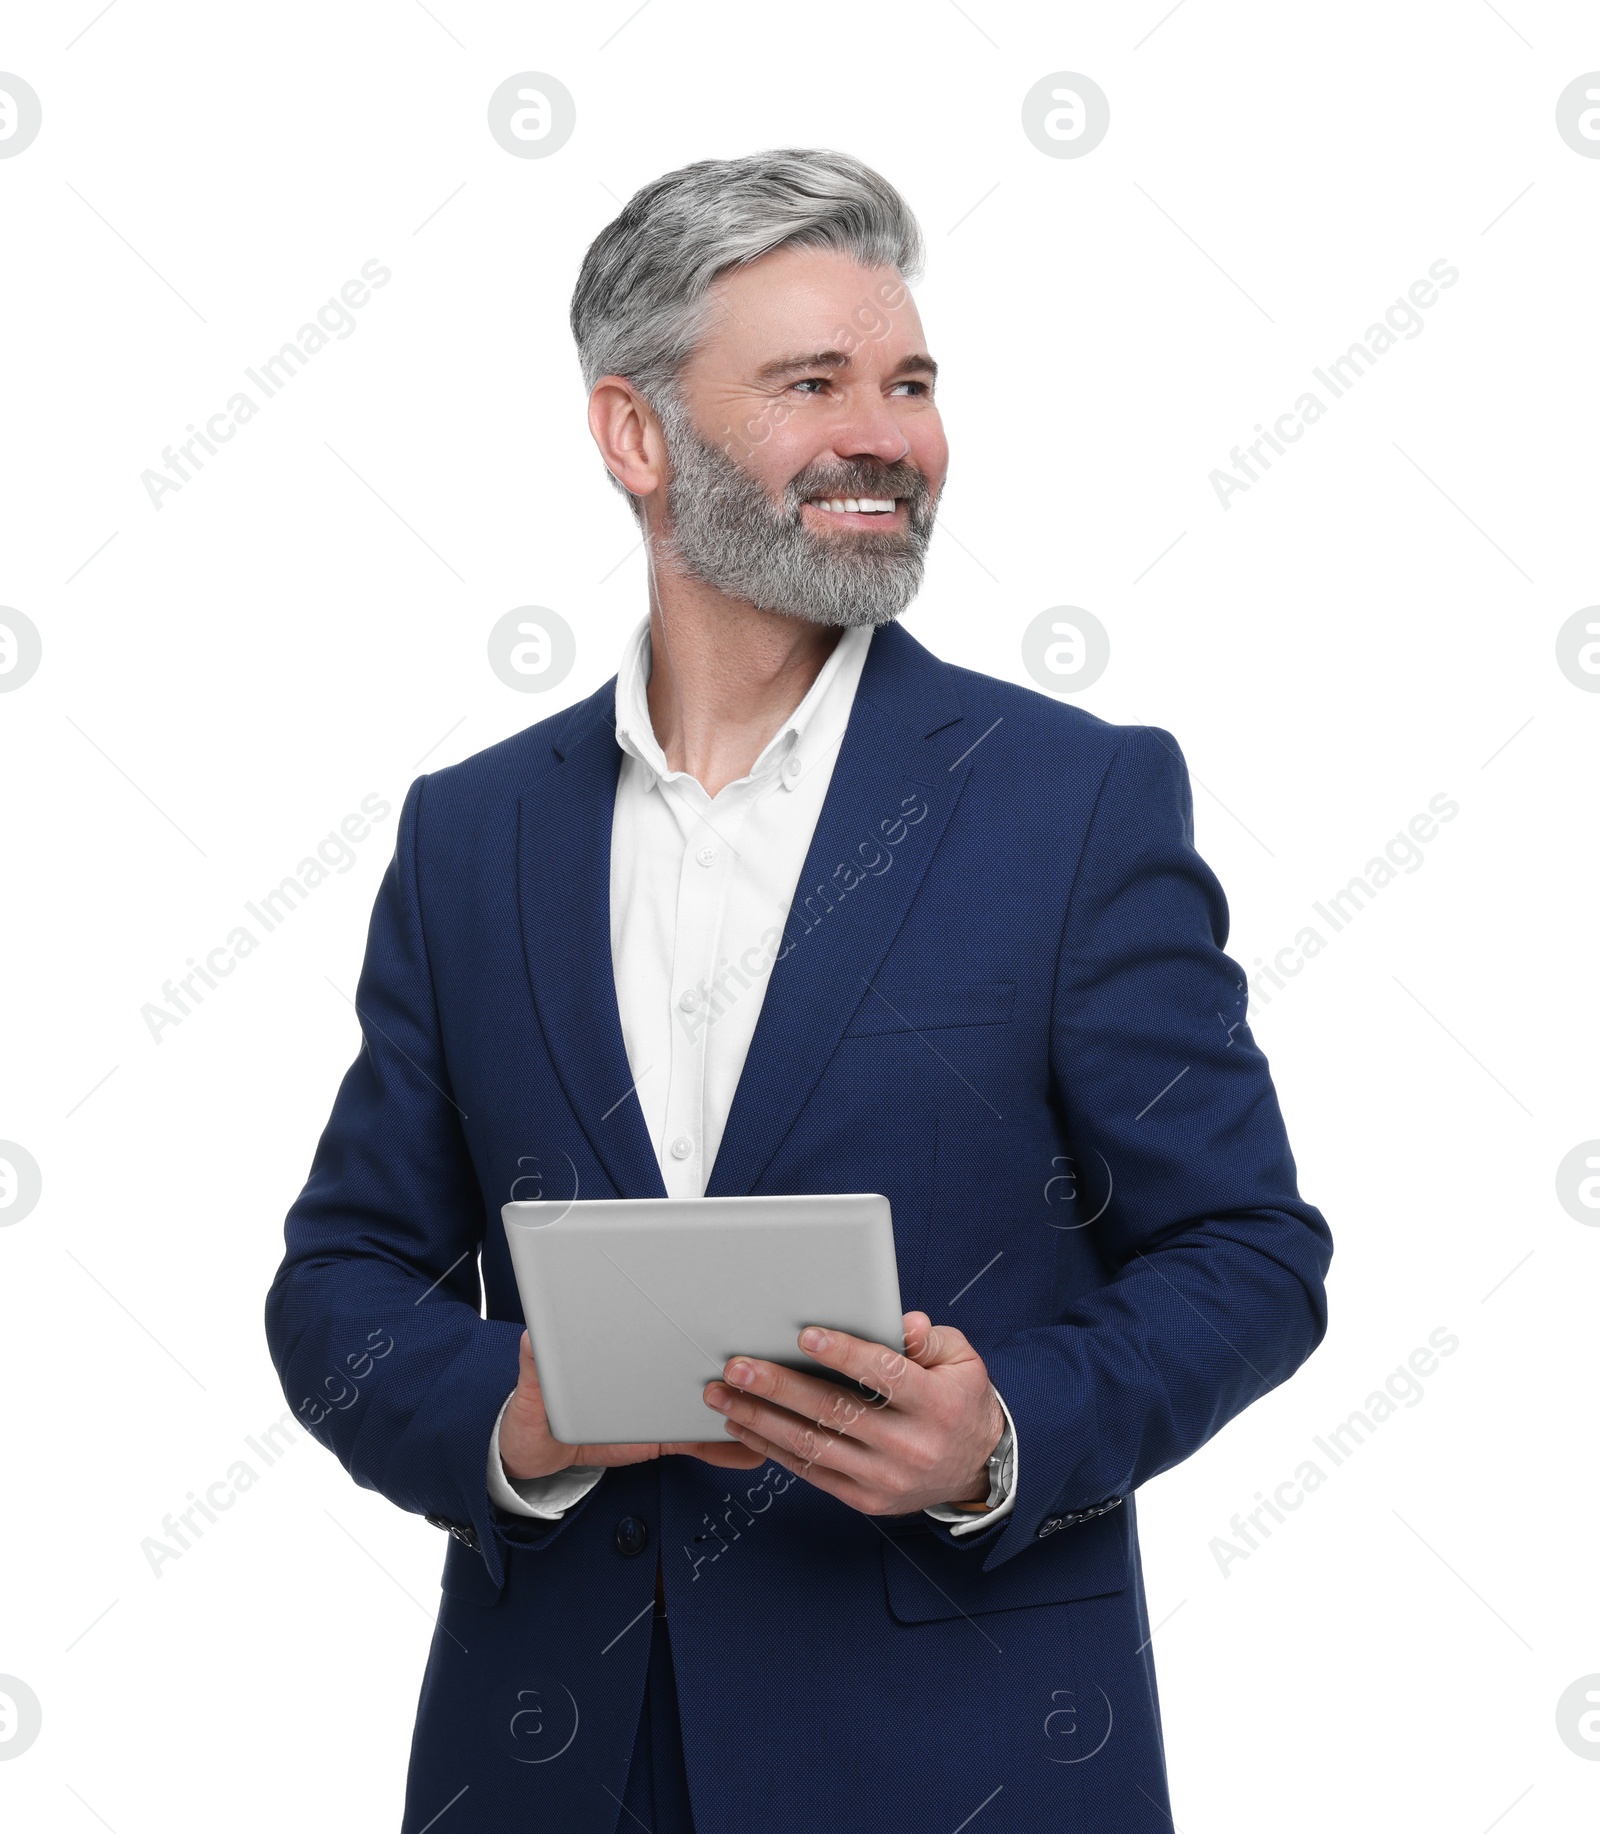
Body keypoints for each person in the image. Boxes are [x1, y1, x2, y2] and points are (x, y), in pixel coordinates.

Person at [265, 147, 1333, 1833]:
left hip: (952, 1758)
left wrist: (1000, 1436)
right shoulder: (470, 834)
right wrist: (514, 1417)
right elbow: (341, 1276)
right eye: (811, 381)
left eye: (909, 382)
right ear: (635, 437)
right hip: (554, 1764)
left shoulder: (1072, 801)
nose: (887, 434)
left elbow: (1252, 1252)